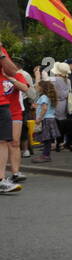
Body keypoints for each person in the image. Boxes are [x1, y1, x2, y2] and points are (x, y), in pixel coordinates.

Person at [0, 45, 22, 194]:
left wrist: (1, 54)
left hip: (1, 103)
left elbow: (12, 71)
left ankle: (1, 180)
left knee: (2, 141)